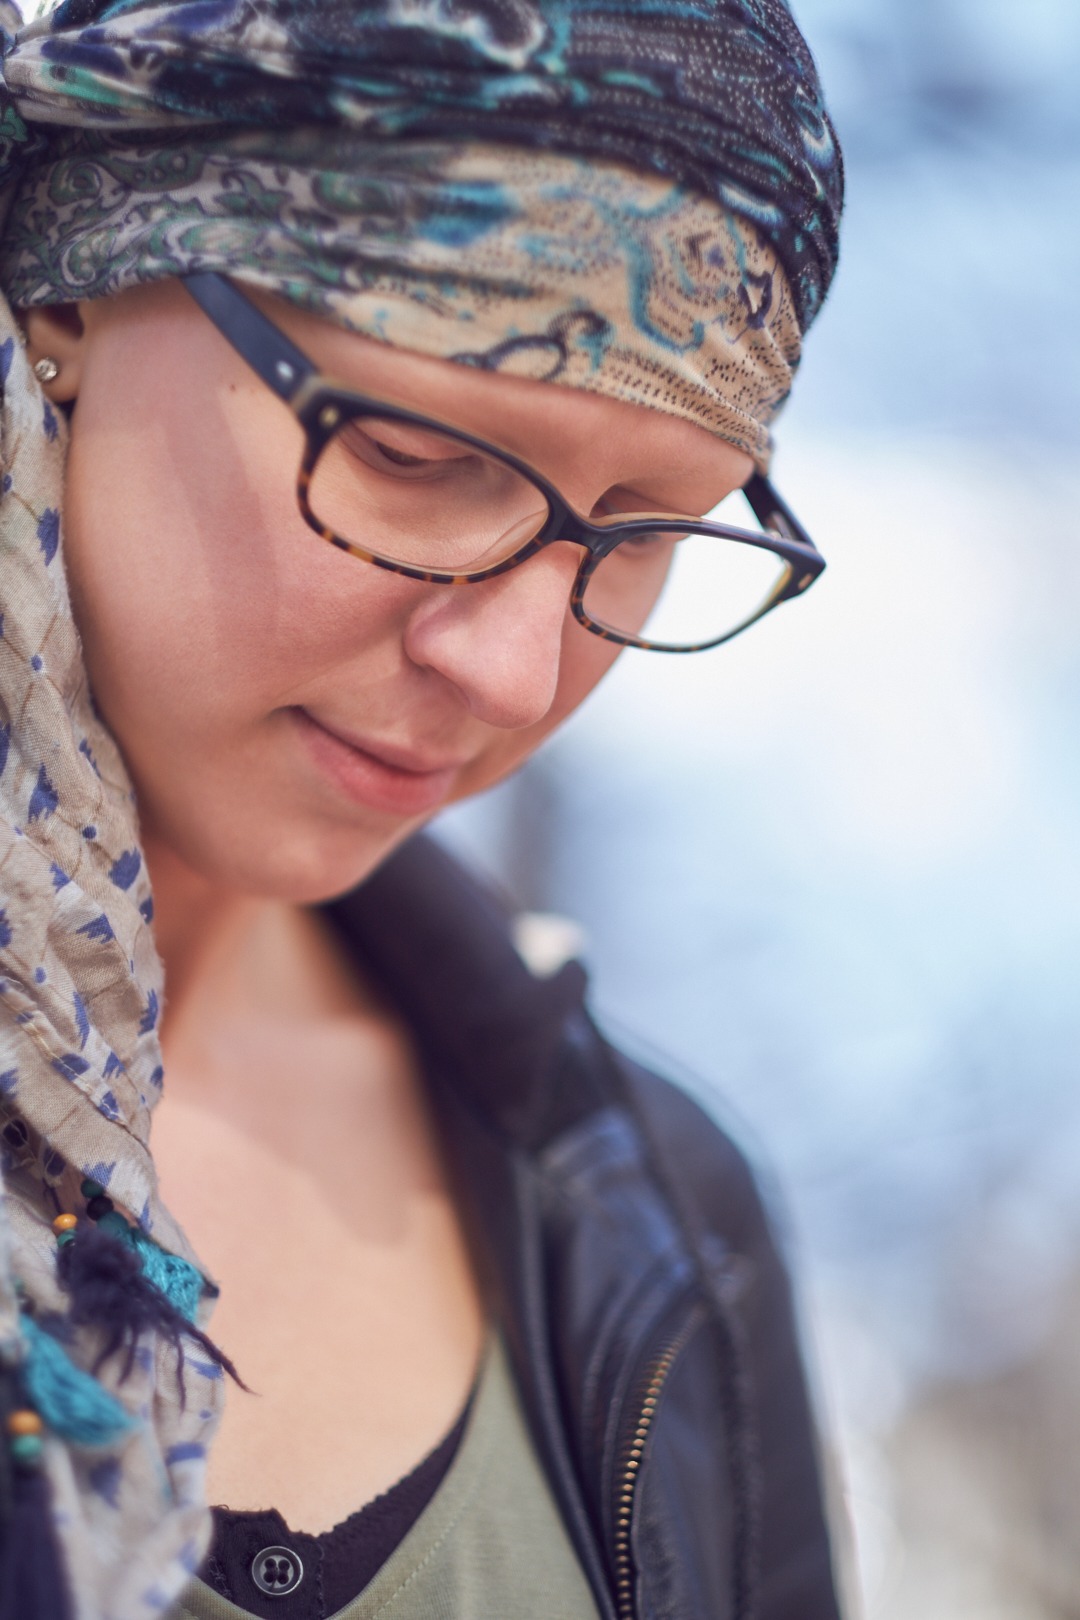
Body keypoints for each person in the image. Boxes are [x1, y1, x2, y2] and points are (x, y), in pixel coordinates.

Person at [0, 2, 845, 1617]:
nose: (520, 671)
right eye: (410, 453)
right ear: (73, 294)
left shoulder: (651, 1208)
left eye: (650, 529)